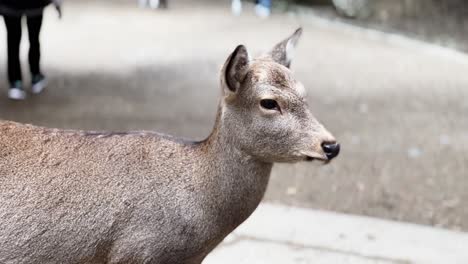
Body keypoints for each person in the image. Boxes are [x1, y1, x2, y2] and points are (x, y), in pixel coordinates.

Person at [0, 0, 62, 100]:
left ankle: (16, 81)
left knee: (13, 42)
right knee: (33, 39)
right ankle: (34, 76)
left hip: (11, 5)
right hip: (32, 5)